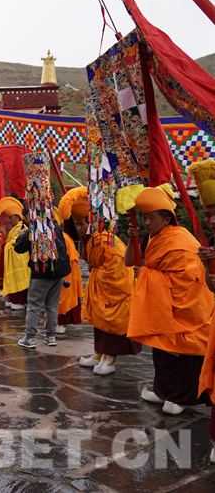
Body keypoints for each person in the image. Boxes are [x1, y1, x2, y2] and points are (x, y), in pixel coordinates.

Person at [126, 186, 212, 415]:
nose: (146, 222)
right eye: (144, 217)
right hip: (165, 307)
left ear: (167, 220)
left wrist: (147, 275)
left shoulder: (179, 239)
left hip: (187, 307)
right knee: (162, 352)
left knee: (184, 356)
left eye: (152, 218)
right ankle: (163, 391)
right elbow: (130, 261)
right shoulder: (153, 237)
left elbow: (187, 278)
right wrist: (132, 239)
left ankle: (179, 398)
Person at [190, 160, 215, 463]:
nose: (211, 220)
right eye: (207, 214)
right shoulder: (211, 242)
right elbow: (211, 286)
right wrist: (209, 268)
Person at [15, 214, 69, 348]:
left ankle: (30, 337)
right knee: (52, 306)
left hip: (40, 273)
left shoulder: (33, 228)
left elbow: (19, 248)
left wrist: (21, 235)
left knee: (34, 306)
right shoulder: (55, 227)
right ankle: (51, 336)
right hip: (57, 273)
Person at [55, 192, 84, 334]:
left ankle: (62, 323)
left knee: (63, 296)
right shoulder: (61, 236)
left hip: (65, 272)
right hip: (64, 271)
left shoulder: (62, 237)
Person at [0, 197, 30, 310]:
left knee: (20, 280)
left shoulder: (22, 227)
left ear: (17, 218)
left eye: (11, 218)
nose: (9, 221)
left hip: (19, 260)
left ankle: (21, 302)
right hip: (13, 260)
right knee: (13, 280)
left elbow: (17, 242)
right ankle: (14, 299)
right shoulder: (14, 228)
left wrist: (7, 245)